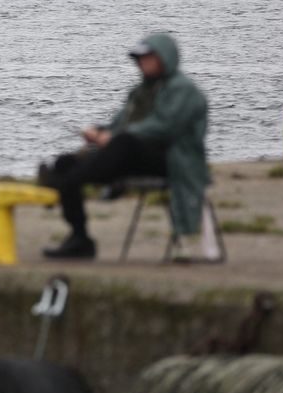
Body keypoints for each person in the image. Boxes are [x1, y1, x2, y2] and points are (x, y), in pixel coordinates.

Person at [39, 33, 210, 260]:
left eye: (148, 58)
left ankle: (61, 181)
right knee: (65, 162)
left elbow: (164, 127)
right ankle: (80, 238)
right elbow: (120, 124)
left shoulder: (183, 90)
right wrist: (99, 132)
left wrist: (113, 138)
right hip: (133, 155)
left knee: (122, 143)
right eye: (140, 59)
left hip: (173, 160)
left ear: (165, 58)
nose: (143, 63)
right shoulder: (140, 91)